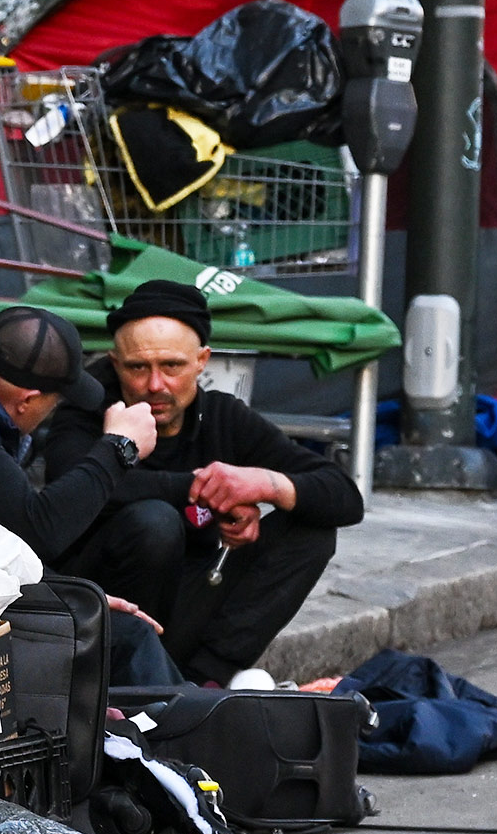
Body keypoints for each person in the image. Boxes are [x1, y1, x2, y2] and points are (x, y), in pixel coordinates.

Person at [38, 279, 361, 682]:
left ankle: (204, 682)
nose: (156, 385)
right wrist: (196, 489)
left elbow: (346, 496)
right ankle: (132, 683)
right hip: (104, 615)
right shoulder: (87, 410)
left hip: (190, 603)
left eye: (172, 366)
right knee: (154, 522)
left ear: (202, 361)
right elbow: (64, 490)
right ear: (115, 363)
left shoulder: (223, 417)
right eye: (138, 368)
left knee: (310, 530)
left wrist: (262, 485)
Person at [0, 305, 186, 693]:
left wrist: (69, 590)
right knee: (124, 636)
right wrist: (121, 447)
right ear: (27, 400)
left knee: (113, 604)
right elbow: (33, 530)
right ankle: (186, 736)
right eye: (54, 402)